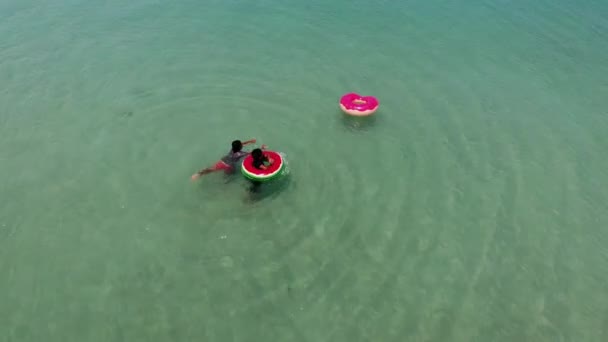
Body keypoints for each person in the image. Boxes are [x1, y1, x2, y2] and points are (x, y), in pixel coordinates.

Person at [191, 139, 263, 180]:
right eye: (241, 145)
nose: (242, 145)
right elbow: (253, 153)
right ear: (240, 147)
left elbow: (241, 144)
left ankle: (198, 174)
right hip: (229, 165)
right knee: (231, 176)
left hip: (223, 161)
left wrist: (249, 141)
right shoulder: (240, 153)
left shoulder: (232, 149)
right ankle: (225, 182)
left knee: (212, 169)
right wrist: (262, 148)